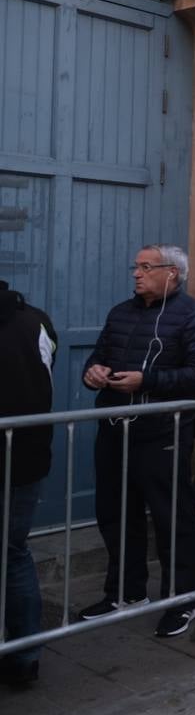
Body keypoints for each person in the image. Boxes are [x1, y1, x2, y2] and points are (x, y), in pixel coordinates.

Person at [79, 245, 195, 638]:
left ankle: (182, 599)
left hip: (162, 434)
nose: (136, 274)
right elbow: (97, 356)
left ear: (172, 273)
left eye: (145, 267)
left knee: (174, 518)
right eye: (135, 267)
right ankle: (126, 591)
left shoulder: (194, 315)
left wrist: (149, 381)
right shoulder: (121, 312)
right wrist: (94, 372)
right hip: (115, 429)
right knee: (116, 514)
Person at [0, 281, 56, 687]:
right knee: (14, 553)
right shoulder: (35, 319)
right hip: (28, 457)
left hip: (19, 456)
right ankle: (25, 657)